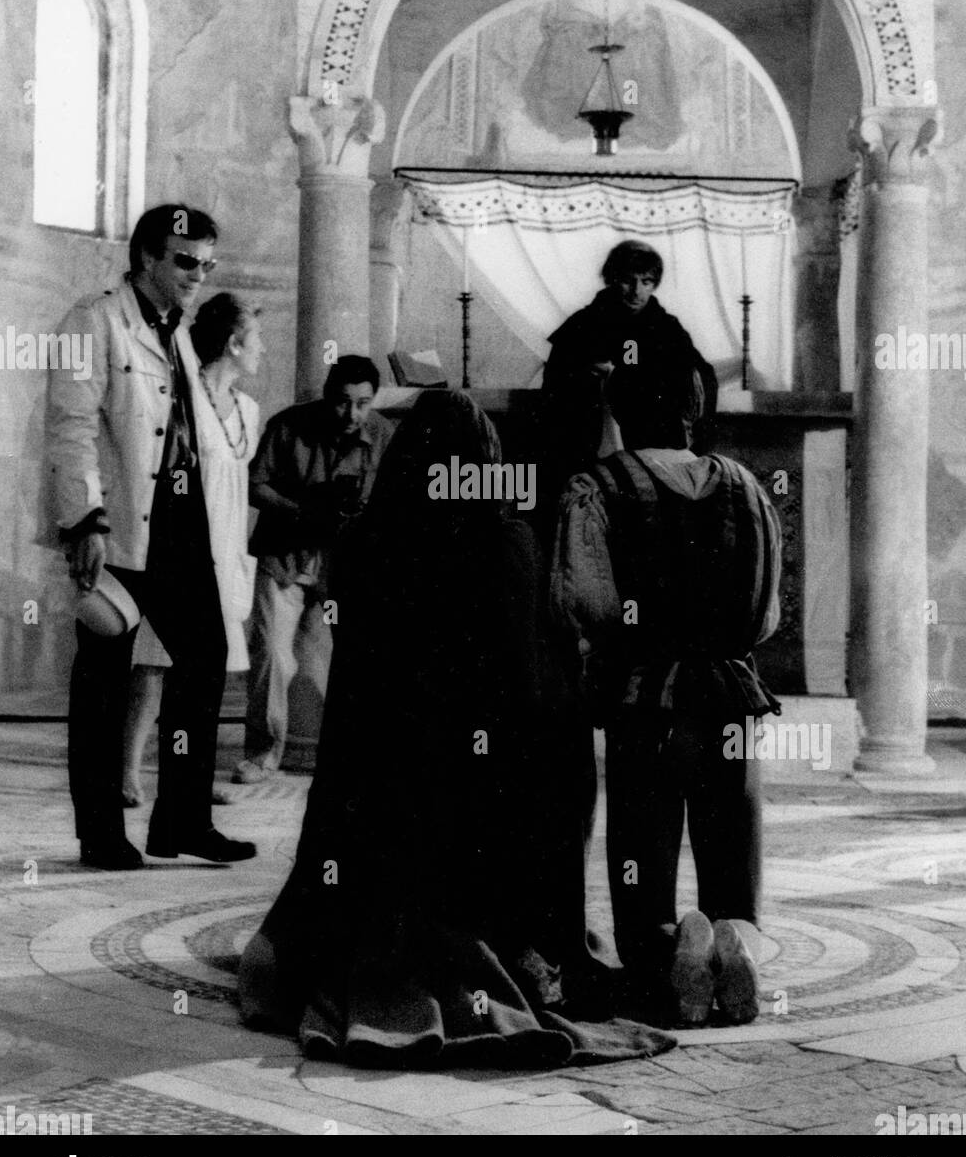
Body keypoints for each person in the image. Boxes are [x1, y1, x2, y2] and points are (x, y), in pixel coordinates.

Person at [238, 391, 675, 1068]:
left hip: (382, 782)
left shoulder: (365, 538)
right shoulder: (507, 538)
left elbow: (358, 678)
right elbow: (528, 688)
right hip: (478, 792)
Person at [550, 362, 781, 1028]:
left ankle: (666, 963)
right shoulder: (745, 485)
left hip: (644, 698)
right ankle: (731, 938)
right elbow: (765, 615)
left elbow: (582, 600)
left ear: (619, 415)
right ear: (694, 409)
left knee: (642, 857)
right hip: (732, 695)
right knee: (730, 843)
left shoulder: (597, 486)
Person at [41, 204, 257, 868]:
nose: (198, 275)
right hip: (118, 524)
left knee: (204, 660)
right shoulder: (94, 318)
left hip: (178, 530)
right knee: (104, 681)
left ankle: (181, 824)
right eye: (186, 261)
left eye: (207, 266)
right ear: (146, 259)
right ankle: (102, 832)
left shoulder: (181, 334)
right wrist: (84, 520)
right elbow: (70, 425)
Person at [120, 293, 263, 808]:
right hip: (182, 543)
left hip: (226, 547)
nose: (262, 349)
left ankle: (191, 782)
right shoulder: (183, 396)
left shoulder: (249, 408)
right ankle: (127, 771)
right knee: (155, 664)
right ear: (233, 343)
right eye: (257, 338)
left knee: (204, 675)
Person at [236, 356, 394, 785]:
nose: (352, 414)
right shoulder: (288, 425)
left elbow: (398, 501)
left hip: (345, 563)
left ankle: (341, 753)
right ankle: (262, 754)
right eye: (343, 402)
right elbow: (253, 485)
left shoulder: (384, 435)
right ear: (327, 394)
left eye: (363, 403)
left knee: (338, 660)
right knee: (271, 655)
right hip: (285, 555)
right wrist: (303, 513)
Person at [538, 240, 718, 540]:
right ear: (612, 279)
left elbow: (700, 378)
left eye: (646, 282)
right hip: (589, 446)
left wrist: (627, 379)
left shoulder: (666, 328)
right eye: (627, 280)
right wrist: (590, 379)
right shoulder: (584, 325)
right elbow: (555, 388)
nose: (637, 290)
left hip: (652, 450)